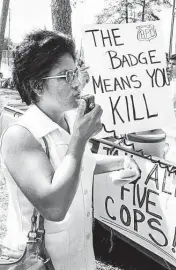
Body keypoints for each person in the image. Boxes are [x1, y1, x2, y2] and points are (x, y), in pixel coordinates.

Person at [0, 30, 140, 270]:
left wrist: (120, 162)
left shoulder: (68, 119)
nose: (77, 82)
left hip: (80, 258)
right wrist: (80, 138)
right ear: (36, 85)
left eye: (77, 72)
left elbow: (77, 163)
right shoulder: (21, 135)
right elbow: (54, 206)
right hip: (43, 262)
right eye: (67, 75)